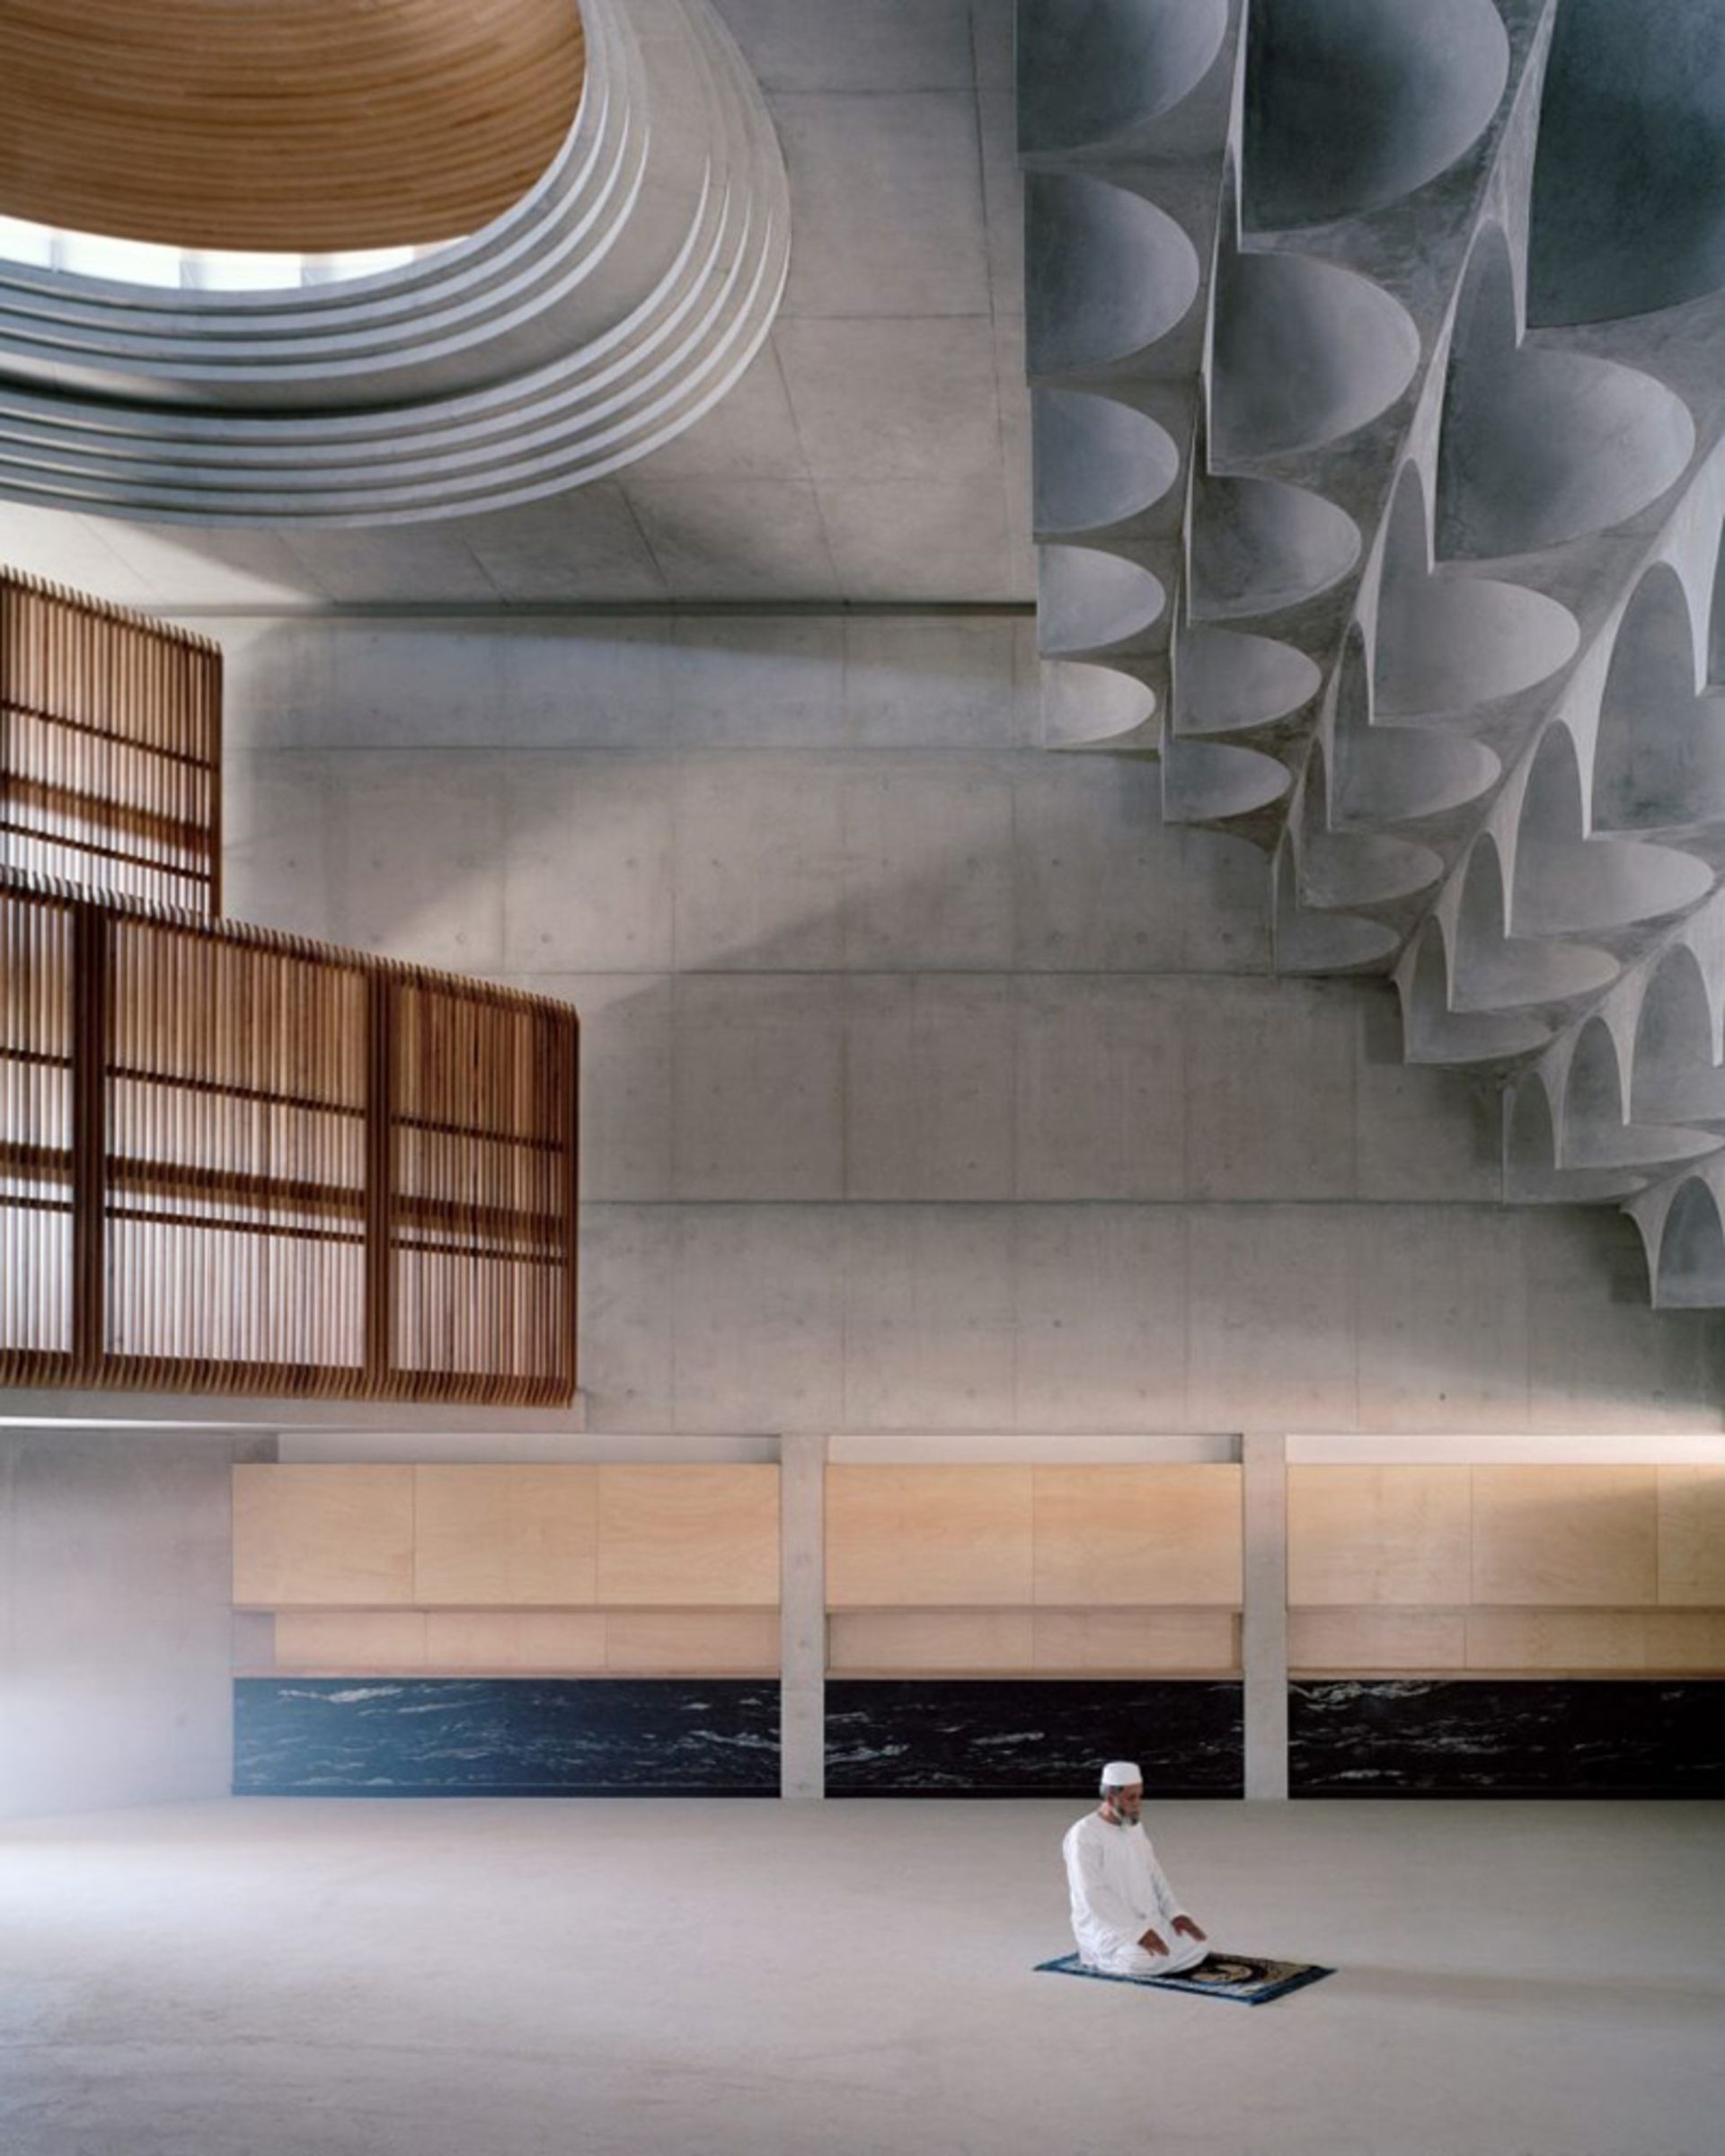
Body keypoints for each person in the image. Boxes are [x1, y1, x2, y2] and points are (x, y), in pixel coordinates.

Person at [1061, 1759, 1210, 1977]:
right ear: (1111, 1797)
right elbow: (1093, 1895)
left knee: (1198, 1943)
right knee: (1145, 1960)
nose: (1137, 1804)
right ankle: (1101, 1959)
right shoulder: (1084, 1836)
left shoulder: (1133, 1826)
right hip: (1109, 1930)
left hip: (1148, 1922)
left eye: (1140, 1797)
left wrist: (1175, 1913)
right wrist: (1137, 1933)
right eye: (1131, 1798)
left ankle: (1159, 1954)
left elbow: (1154, 1872)